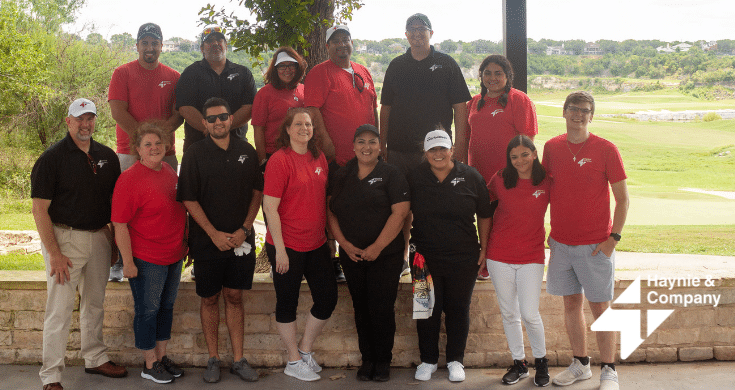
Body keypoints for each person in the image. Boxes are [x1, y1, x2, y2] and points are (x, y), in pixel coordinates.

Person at [31, 98, 127, 390]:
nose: (85, 125)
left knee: (95, 304)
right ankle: (51, 376)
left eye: (90, 119)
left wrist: (112, 244)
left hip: (99, 236)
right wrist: (55, 253)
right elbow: (39, 210)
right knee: (59, 310)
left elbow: (114, 205)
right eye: (79, 119)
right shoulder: (52, 158)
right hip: (65, 239)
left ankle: (95, 358)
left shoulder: (108, 157)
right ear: (68, 121)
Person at [542, 91, 629, 390]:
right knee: (571, 305)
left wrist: (612, 240)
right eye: (572, 109)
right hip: (561, 245)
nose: (577, 114)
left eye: (584, 110)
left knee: (601, 310)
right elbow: (546, 188)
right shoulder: (551, 148)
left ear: (591, 115)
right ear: (564, 112)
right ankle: (581, 364)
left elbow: (622, 199)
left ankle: (609, 369)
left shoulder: (606, 149)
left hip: (595, 247)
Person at [177, 97, 263, 383]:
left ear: (231, 119)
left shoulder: (247, 151)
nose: (218, 122)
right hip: (207, 242)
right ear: (203, 123)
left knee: (235, 297)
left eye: (223, 117)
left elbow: (256, 192)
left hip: (241, 241)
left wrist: (245, 229)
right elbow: (188, 198)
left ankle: (239, 360)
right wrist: (213, 234)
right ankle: (213, 359)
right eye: (211, 118)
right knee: (210, 298)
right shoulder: (194, 153)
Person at [379, 13, 471, 275]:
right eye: (412, 30)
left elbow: (460, 108)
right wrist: (382, 145)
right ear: (406, 35)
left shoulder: (447, 64)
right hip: (399, 149)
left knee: (432, 206)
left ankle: (429, 256)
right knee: (400, 207)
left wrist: (461, 145)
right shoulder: (396, 65)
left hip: (437, 152)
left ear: (432, 33)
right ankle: (404, 257)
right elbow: (385, 108)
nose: (417, 34)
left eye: (422, 30)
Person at [326, 124, 411, 382]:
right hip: (352, 256)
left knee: (381, 308)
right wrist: (344, 244)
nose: (366, 147)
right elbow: (330, 211)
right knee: (360, 307)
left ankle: (383, 361)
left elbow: (401, 212)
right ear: (353, 146)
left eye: (372, 142)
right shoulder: (342, 175)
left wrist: (377, 247)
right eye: (361, 142)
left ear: (379, 147)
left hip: (386, 256)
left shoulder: (391, 174)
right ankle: (368, 359)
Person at [407, 129, 491, 383]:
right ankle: (428, 360)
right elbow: (401, 214)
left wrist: (484, 249)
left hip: (463, 256)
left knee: (457, 309)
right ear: (425, 152)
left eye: (443, 148)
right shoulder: (414, 177)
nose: (438, 154)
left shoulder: (470, 176)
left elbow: (485, 215)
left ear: (452, 150)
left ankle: (456, 360)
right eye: (432, 149)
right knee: (425, 309)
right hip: (423, 257)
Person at [262, 107, 337, 382]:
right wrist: (280, 250)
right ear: (287, 129)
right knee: (287, 302)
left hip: (316, 244)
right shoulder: (280, 161)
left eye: (308, 124)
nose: (304, 128)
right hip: (287, 246)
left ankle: (304, 351)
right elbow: (270, 208)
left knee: (328, 298)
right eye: (298, 124)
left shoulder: (319, 158)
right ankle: (292, 360)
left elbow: (322, 202)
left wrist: (329, 240)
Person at [111, 123, 187, 384]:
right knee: (147, 311)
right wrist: (128, 262)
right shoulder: (129, 179)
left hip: (173, 255)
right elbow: (119, 224)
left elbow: (177, 210)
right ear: (138, 150)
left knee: (166, 308)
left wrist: (184, 244)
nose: (154, 148)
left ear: (166, 146)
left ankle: (162, 357)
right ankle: (149, 363)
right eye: (148, 144)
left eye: (158, 143)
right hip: (146, 258)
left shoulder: (168, 170)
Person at [107, 22, 184, 282]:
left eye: (155, 43)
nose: (150, 47)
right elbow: (118, 111)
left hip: (166, 152)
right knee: (123, 210)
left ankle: (171, 255)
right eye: (145, 43)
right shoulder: (123, 73)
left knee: (169, 206)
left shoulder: (173, 76)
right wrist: (142, 143)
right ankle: (119, 261)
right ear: (137, 45)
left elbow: (178, 114)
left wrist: (158, 142)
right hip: (130, 151)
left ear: (161, 46)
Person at [304, 24, 377, 282]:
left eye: (345, 39)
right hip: (337, 158)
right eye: (335, 41)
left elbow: (373, 108)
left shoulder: (363, 71)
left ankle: (360, 255)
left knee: (360, 208)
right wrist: (327, 143)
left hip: (366, 157)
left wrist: (379, 145)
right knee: (331, 207)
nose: (341, 44)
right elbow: (312, 110)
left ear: (351, 42)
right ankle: (332, 260)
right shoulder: (320, 73)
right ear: (327, 47)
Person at [460, 54, 538, 280]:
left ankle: (509, 265)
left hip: (508, 174)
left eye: (498, 73)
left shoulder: (519, 100)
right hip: (478, 175)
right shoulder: (473, 103)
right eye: (487, 73)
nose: (492, 78)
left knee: (506, 222)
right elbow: (465, 139)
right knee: (484, 220)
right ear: (481, 76)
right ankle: (485, 265)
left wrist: (522, 173)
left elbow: (528, 141)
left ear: (507, 76)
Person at [483, 135, 550, 387]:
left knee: (530, 313)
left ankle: (541, 362)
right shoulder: (500, 179)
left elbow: (563, 208)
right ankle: (519, 363)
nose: (520, 160)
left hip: (531, 256)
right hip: (499, 255)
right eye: (514, 157)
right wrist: (482, 249)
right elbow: (484, 210)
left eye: (524, 154)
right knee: (509, 313)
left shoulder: (546, 181)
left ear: (534, 153)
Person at [176, 25, 257, 153]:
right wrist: (212, 128)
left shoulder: (243, 73)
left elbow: (249, 107)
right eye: (209, 41)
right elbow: (185, 108)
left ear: (226, 45)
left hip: (237, 146)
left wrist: (221, 128)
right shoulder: (190, 73)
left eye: (219, 40)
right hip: (198, 147)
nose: (215, 43)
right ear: (202, 48)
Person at [252, 47, 306, 168]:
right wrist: (262, 161)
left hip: (300, 154)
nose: (287, 70)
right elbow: (258, 130)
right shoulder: (264, 93)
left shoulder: (304, 90)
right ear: (275, 69)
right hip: (274, 155)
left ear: (298, 67)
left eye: (291, 65)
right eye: (282, 66)